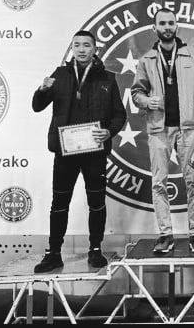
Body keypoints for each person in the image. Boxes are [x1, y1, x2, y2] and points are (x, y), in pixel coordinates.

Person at [32, 30, 126, 272]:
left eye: (86, 45)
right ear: (72, 49)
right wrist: (42, 89)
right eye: (77, 45)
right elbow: (37, 107)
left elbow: (119, 115)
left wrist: (109, 132)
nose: (82, 49)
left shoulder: (107, 78)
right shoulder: (60, 75)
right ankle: (54, 253)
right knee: (59, 203)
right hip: (65, 152)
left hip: (94, 152)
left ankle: (95, 249)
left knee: (96, 202)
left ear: (95, 49)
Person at [131, 8, 194, 253]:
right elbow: (136, 93)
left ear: (176, 26)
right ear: (154, 28)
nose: (167, 27)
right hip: (159, 129)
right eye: (162, 23)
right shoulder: (147, 60)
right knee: (159, 183)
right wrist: (146, 101)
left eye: (171, 23)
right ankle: (165, 234)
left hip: (188, 129)